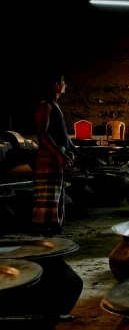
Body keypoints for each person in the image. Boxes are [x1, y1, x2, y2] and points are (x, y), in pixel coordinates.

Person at [31, 73, 87, 235]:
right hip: (48, 157)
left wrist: (77, 152)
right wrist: (59, 154)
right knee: (47, 198)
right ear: (56, 85)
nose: (66, 85)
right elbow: (42, 134)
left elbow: (64, 137)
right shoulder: (45, 106)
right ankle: (43, 235)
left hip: (56, 156)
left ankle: (52, 232)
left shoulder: (55, 106)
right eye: (64, 82)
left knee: (55, 196)